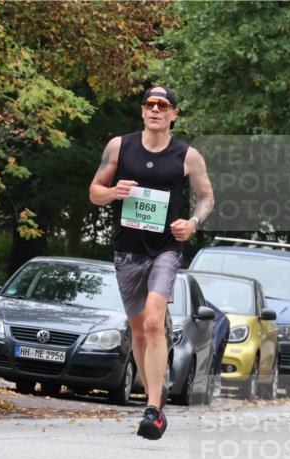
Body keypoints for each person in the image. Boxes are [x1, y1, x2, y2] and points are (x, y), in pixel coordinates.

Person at [89, 86, 214, 440]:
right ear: (143, 111)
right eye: (149, 104)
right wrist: (114, 192)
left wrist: (191, 223)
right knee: (140, 331)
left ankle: (154, 408)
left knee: (156, 321)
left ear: (174, 113)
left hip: (165, 249)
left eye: (163, 105)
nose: (155, 110)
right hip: (127, 251)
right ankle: (152, 396)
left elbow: (207, 198)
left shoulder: (187, 156)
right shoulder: (119, 146)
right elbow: (94, 191)